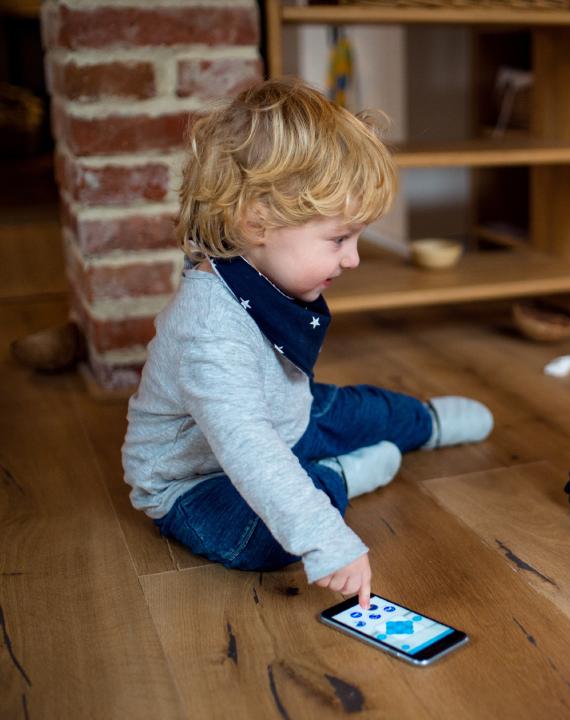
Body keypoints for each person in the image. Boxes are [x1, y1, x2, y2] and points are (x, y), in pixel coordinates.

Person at [122, 78, 493, 608]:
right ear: (257, 223)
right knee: (264, 537)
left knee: (360, 409)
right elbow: (247, 450)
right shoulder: (208, 332)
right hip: (196, 480)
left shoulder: (260, 270)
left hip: (286, 416)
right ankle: (334, 478)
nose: (354, 259)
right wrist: (328, 539)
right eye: (340, 239)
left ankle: (424, 423)